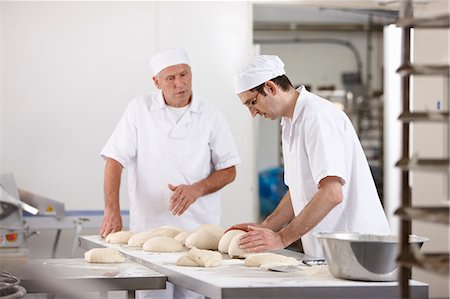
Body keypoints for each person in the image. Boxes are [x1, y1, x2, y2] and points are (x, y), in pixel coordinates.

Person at [99, 48, 240, 298]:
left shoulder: (210, 114)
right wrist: (112, 210)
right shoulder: (139, 110)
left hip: (199, 234)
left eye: (184, 75)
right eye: (170, 78)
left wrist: (196, 189)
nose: (180, 83)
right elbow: (114, 160)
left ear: (192, 73)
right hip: (148, 232)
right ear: (156, 82)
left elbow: (229, 170)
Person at [230, 55, 390, 258]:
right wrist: (266, 227)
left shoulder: (317, 116)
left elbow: (332, 193)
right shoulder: (290, 123)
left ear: (270, 87)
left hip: (359, 249)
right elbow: (299, 191)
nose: (253, 113)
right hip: (331, 252)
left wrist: (282, 238)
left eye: (252, 103)